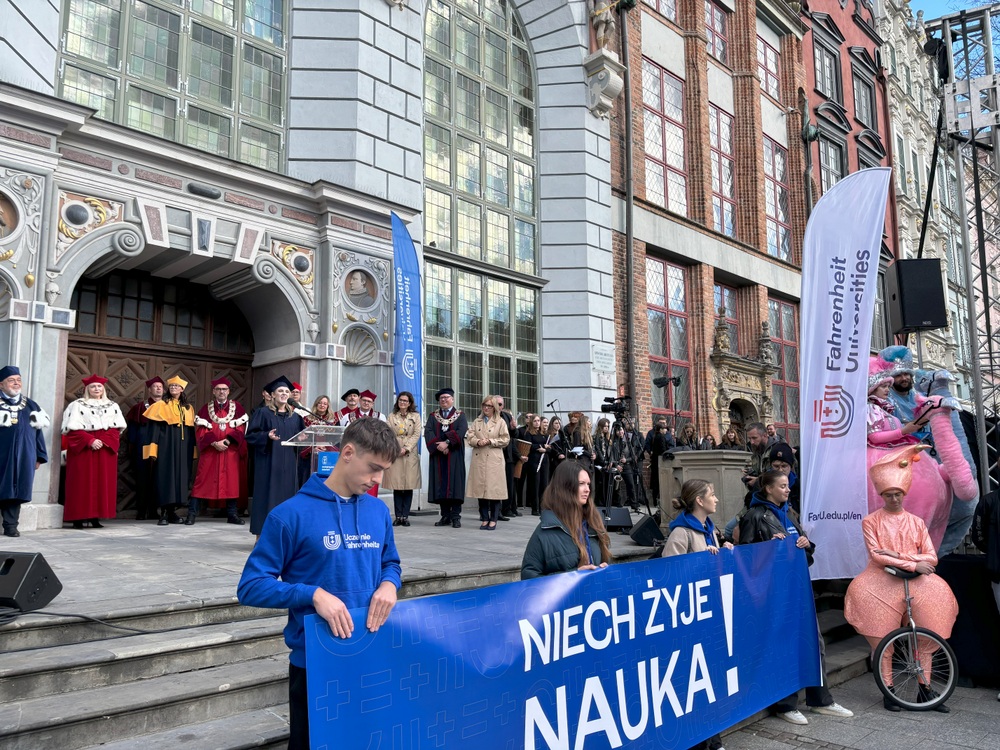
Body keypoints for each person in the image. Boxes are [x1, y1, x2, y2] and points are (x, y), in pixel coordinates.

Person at [237, 418, 401, 750]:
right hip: (315, 662)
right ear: (348, 453)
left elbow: (390, 563)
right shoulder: (290, 514)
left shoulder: (378, 511)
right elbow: (251, 585)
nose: (378, 480)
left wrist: (389, 585)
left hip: (371, 651)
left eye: (384, 471)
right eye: (373, 468)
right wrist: (311, 594)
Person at [845, 443, 957, 713]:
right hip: (880, 581)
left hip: (917, 581)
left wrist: (899, 556)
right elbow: (877, 556)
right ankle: (889, 690)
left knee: (928, 635)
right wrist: (914, 562)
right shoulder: (871, 521)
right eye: (889, 494)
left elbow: (931, 557)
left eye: (897, 494)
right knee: (882, 638)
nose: (894, 499)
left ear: (904, 494)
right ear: (882, 495)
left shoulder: (916, 522)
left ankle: (925, 689)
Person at [738, 470, 854, 725]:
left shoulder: (789, 513)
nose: (788, 489)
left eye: (787, 485)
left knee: (814, 643)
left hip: (799, 590)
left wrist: (805, 544)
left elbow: (807, 552)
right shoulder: (754, 516)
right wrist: (768, 547)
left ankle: (821, 700)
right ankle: (785, 704)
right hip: (775, 595)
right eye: (782, 486)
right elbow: (745, 560)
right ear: (768, 489)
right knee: (784, 647)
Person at [661, 478, 732, 750]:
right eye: (712, 494)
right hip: (690, 621)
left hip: (707, 615)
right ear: (699, 501)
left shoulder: (710, 530)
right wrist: (699, 561)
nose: (716, 499)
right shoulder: (681, 533)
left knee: (710, 680)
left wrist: (723, 552)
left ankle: (713, 740)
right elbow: (670, 574)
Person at [521, 461, 612, 579]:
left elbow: (602, 561)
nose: (587, 489)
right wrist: (573, 575)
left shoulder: (593, 524)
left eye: (588, 484)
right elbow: (528, 576)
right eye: (581, 484)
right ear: (565, 487)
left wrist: (604, 570)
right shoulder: (546, 531)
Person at [61, 374, 126, 529]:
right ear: (87, 389)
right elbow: (70, 430)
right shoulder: (76, 405)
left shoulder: (112, 406)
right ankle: (77, 518)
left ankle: (95, 517)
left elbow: (116, 429)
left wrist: (103, 441)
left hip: (105, 449)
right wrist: (90, 440)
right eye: (93, 386)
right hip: (82, 449)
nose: (96, 389)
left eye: (99, 386)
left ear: (103, 389)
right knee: (80, 483)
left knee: (101, 483)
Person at [246, 376, 306, 537]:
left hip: (289, 468)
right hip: (268, 465)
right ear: (272, 394)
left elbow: (301, 439)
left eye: (287, 391)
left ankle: (287, 536)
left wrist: (302, 439)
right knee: (267, 499)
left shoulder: (295, 417)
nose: (284, 393)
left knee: (288, 501)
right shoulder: (263, 413)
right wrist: (266, 436)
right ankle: (261, 537)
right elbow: (250, 436)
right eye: (280, 391)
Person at [189, 378, 248, 526]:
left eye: (224, 389)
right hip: (211, 451)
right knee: (202, 481)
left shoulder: (237, 408)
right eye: (218, 389)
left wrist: (227, 441)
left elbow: (241, 429)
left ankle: (232, 514)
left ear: (228, 391)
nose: (221, 391)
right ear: (214, 391)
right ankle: (192, 514)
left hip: (230, 451)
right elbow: (201, 429)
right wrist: (214, 443)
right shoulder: (205, 409)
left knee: (231, 482)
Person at [0, 366, 48, 537]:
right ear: (1, 384)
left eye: (18, 380)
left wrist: (39, 456)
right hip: (2, 454)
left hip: (24, 455)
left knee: (16, 490)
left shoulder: (31, 405)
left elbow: (38, 432)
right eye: (11, 380)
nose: (16, 383)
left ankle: (11, 526)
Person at [143, 375, 196, 526]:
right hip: (166, 446)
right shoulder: (161, 405)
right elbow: (153, 429)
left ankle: (173, 512)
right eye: (171, 386)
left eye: (176, 386)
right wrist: (152, 450)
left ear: (182, 389)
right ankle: (164, 513)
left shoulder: (188, 408)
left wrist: (193, 450)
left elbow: (191, 431)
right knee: (165, 477)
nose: (173, 388)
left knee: (180, 479)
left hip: (183, 448)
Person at [424, 387, 468, 528]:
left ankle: (455, 517)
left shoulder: (460, 416)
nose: (444, 400)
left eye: (446, 397)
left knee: (455, 486)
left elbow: (461, 431)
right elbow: (428, 431)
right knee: (441, 486)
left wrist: (447, 443)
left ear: (452, 399)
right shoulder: (433, 416)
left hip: (454, 456)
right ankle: (445, 516)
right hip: (439, 456)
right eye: (441, 398)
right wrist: (440, 446)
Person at [466, 395, 511, 530]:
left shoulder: (500, 422)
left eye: (489, 406)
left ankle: (494, 519)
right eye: (484, 405)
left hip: (493, 459)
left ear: (494, 408)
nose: (486, 408)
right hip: (479, 458)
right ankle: (484, 518)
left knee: (494, 491)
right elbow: (470, 436)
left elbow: (505, 439)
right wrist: (477, 441)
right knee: (480, 490)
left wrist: (491, 441)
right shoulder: (477, 421)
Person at [124, 376, 163, 520]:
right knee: (142, 478)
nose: (158, 388)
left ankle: (154, 510)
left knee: (158, 479)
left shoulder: (168, 408)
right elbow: (133, 430)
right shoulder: (140, 407)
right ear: (149, 390)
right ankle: (141, 510)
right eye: (155, 386)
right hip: (143, 447)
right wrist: (133, 446)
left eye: (160, 386)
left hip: (161, 447)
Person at [383, 391, 421, 527]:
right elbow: (387, 433)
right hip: (396, 452)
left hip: (410, 454)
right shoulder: (392, 416)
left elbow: (416, 434)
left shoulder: (415, 416)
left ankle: (405, 516)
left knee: (408, 485)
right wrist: (396, 448)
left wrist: (406, 448)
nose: (402, 403)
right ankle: (398, 516)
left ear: (409, 403)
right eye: (400, 400)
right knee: (397, 485)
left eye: (405, 401)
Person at [519, 415, 548, 515]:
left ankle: (542, 506)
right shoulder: (529, 433)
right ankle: (535, 508)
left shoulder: (543, 433)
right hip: (534, 461)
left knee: (543, 484)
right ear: (531, 422)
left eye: (538, 421)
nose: (537, 422)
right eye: (535, 421)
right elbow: (529, 446)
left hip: (544, 461)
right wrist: (541, 446)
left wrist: (546, 449)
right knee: (535, 485)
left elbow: (549, 447)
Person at [497, 396, 519, 519]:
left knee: (509, 484)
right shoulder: (487, 415)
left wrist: (514, 428)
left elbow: (514, 435)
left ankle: (507, 509)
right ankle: (496, 510)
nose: (498, 406)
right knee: (496, 483)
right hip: (495, 453)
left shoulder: (507, 416)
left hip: (507, 455)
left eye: (500, 404)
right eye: (496, 404)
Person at [740, 422, 771, 497]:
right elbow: (760, 470)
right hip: (761, 493)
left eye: (754, 438)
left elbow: (779, 475)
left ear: (765, 435)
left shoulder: (776, 449)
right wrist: (751, 474)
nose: (752, 442)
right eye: (750, 438)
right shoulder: (757, 451)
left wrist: (758, 481)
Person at [649, 418, 674, 504]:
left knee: (655, 482)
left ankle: (655, 500)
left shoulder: (655, 436)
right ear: (660, 429)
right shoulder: (661, 437)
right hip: (659, 461)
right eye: (664, 429)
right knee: (659, 481)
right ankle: (659, 500)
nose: (666, 430)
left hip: (655, 461)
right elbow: (663, 449)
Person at [563, 411, 596, 475]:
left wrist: (594, 454)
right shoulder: (577, 432)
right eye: (589, 421)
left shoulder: (588, 433)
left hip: (588, 460)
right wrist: (589, 454)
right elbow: (578, 447)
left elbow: (592, 446)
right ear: (584, 422)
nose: (590, 423)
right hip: (582, 459)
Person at [593, 417, 614, 508]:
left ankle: (607, 501)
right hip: (600, 464)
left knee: (607, 484)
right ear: (601, 427)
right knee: (600, 484)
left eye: (608, 426)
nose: (607, 428)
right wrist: (604, 462)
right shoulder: (597, 437)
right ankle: (600, 502)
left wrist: (610, 461)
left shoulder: (608, 437)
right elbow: (598, 449)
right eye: (605, 426)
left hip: (607, 463)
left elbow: (611, 450)